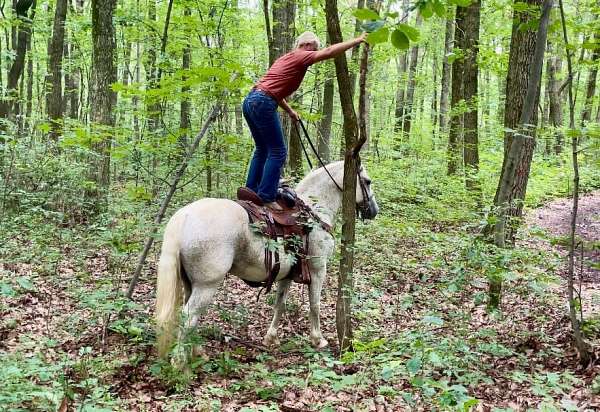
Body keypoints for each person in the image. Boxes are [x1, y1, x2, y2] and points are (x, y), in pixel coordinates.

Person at [243, 31, 367, 210]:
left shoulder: (285, 59)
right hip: (262, 102)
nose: (313, 54)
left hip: (251, 101)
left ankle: (251, 189)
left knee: (262, 149)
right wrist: (357, 40)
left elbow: (271, 90)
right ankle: (266, 196)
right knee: (278, 152)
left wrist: (291, 111)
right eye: (314, 49)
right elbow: (330, 51)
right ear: (307, 45)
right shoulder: (301, 56)